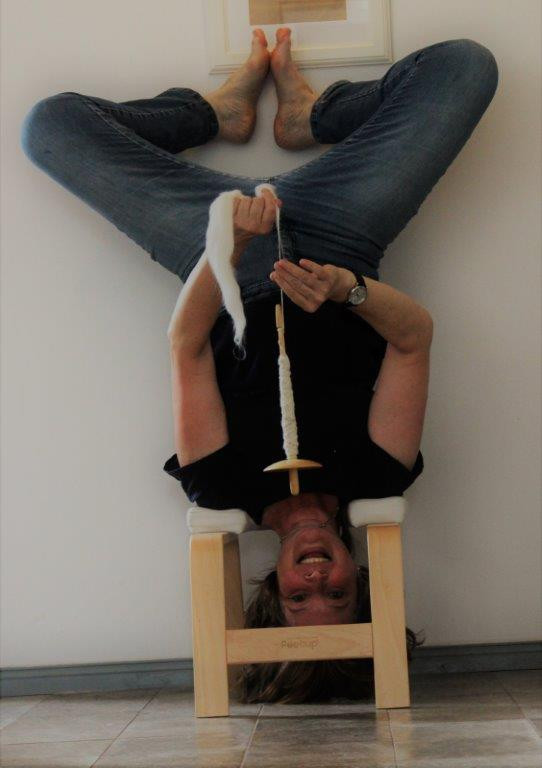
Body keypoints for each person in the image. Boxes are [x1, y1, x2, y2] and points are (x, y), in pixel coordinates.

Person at [20, 28, 498, 665]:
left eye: (301, 598)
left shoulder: (219, 486)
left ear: (274, 588)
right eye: (338, 595)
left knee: (49, 127)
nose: (317, 579)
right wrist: (348, 289)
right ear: (361, 584)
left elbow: (187, 345)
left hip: (217, 250)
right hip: (342, 234)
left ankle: (212, 114)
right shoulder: (377, 474)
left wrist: (228, 248)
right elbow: (413, 340)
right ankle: (310, 115)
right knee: (464, 66)